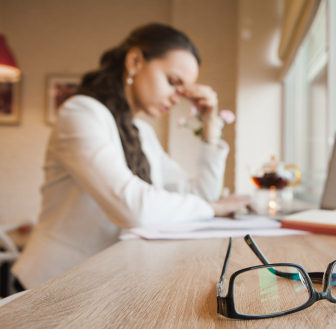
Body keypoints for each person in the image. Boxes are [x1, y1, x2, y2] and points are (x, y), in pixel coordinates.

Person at [12, 23, 249, 289]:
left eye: (183, 91)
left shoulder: (143, 134)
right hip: (53, 283)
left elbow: (203, 196)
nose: (176, 98)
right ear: (135, 61)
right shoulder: (80, 113)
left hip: (104, 284)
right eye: (173, 82)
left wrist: (210, 124)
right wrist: (213, 209)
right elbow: (134, 207)